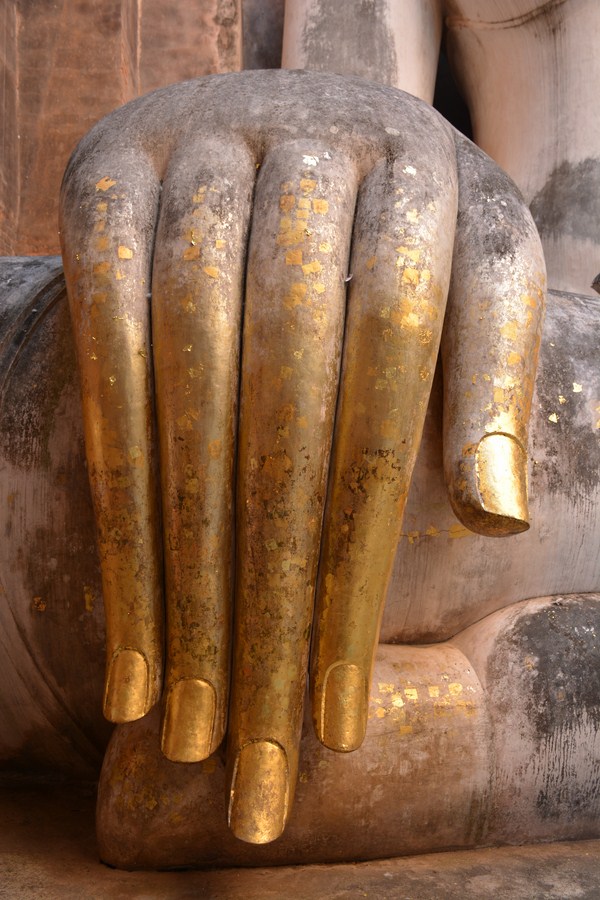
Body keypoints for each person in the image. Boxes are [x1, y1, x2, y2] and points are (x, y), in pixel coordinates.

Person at [1, 0, 599, 868]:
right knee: (374, 344)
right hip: (343, 320)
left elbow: (160, 801)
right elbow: (344, 184)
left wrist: (478, 755)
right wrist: (331, 124)